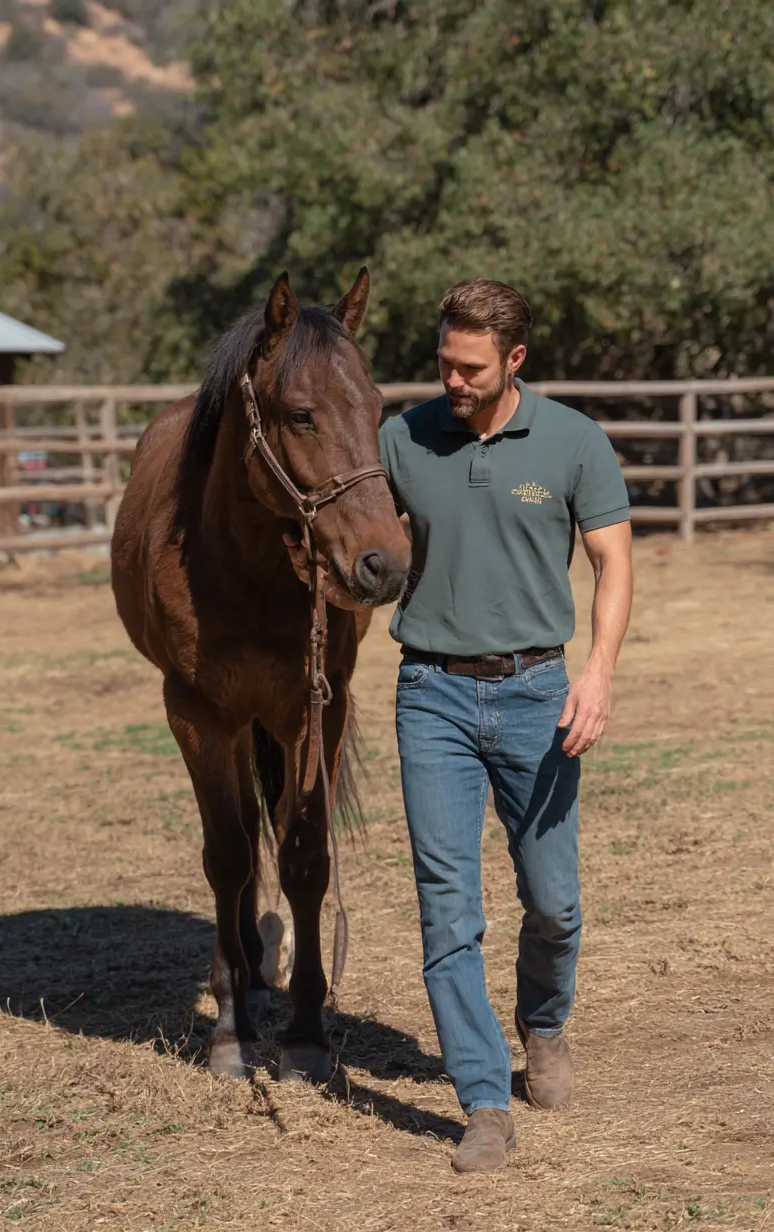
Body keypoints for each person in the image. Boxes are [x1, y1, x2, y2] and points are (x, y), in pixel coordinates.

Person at [287, 278, 633, 1174]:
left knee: (553, 903)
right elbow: (341, 510)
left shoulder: (571, 442)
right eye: (444, 360)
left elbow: (613, 562)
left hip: (538, 693)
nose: (453, 379)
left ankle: (544, 1025)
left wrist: (597, 675)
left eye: (471, 366)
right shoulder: (402, 437)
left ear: (514, 359)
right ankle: (481, 1100)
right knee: (448, 908)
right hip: (432, 695)